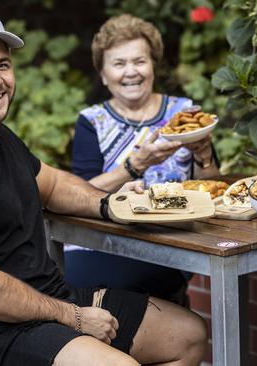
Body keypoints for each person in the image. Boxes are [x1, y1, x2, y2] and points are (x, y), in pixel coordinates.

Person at [0, 10, 206, 366]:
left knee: (188, 337)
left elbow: (51, 184)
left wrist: (111, 205)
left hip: (51, 298)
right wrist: (75, 317)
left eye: (2, 65)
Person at [64, 14, 220, 301]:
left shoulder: (185, 113)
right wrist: (136, 165)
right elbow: (79, 196)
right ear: (103, 74)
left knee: (121, 288)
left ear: (152, 66)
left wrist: (204, 155)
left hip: (172, 240)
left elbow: (211, 190)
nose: (130, 72)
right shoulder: (92, 121)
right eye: (119, 63)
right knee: (74, 278)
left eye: (139, 61)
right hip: (102, 240)